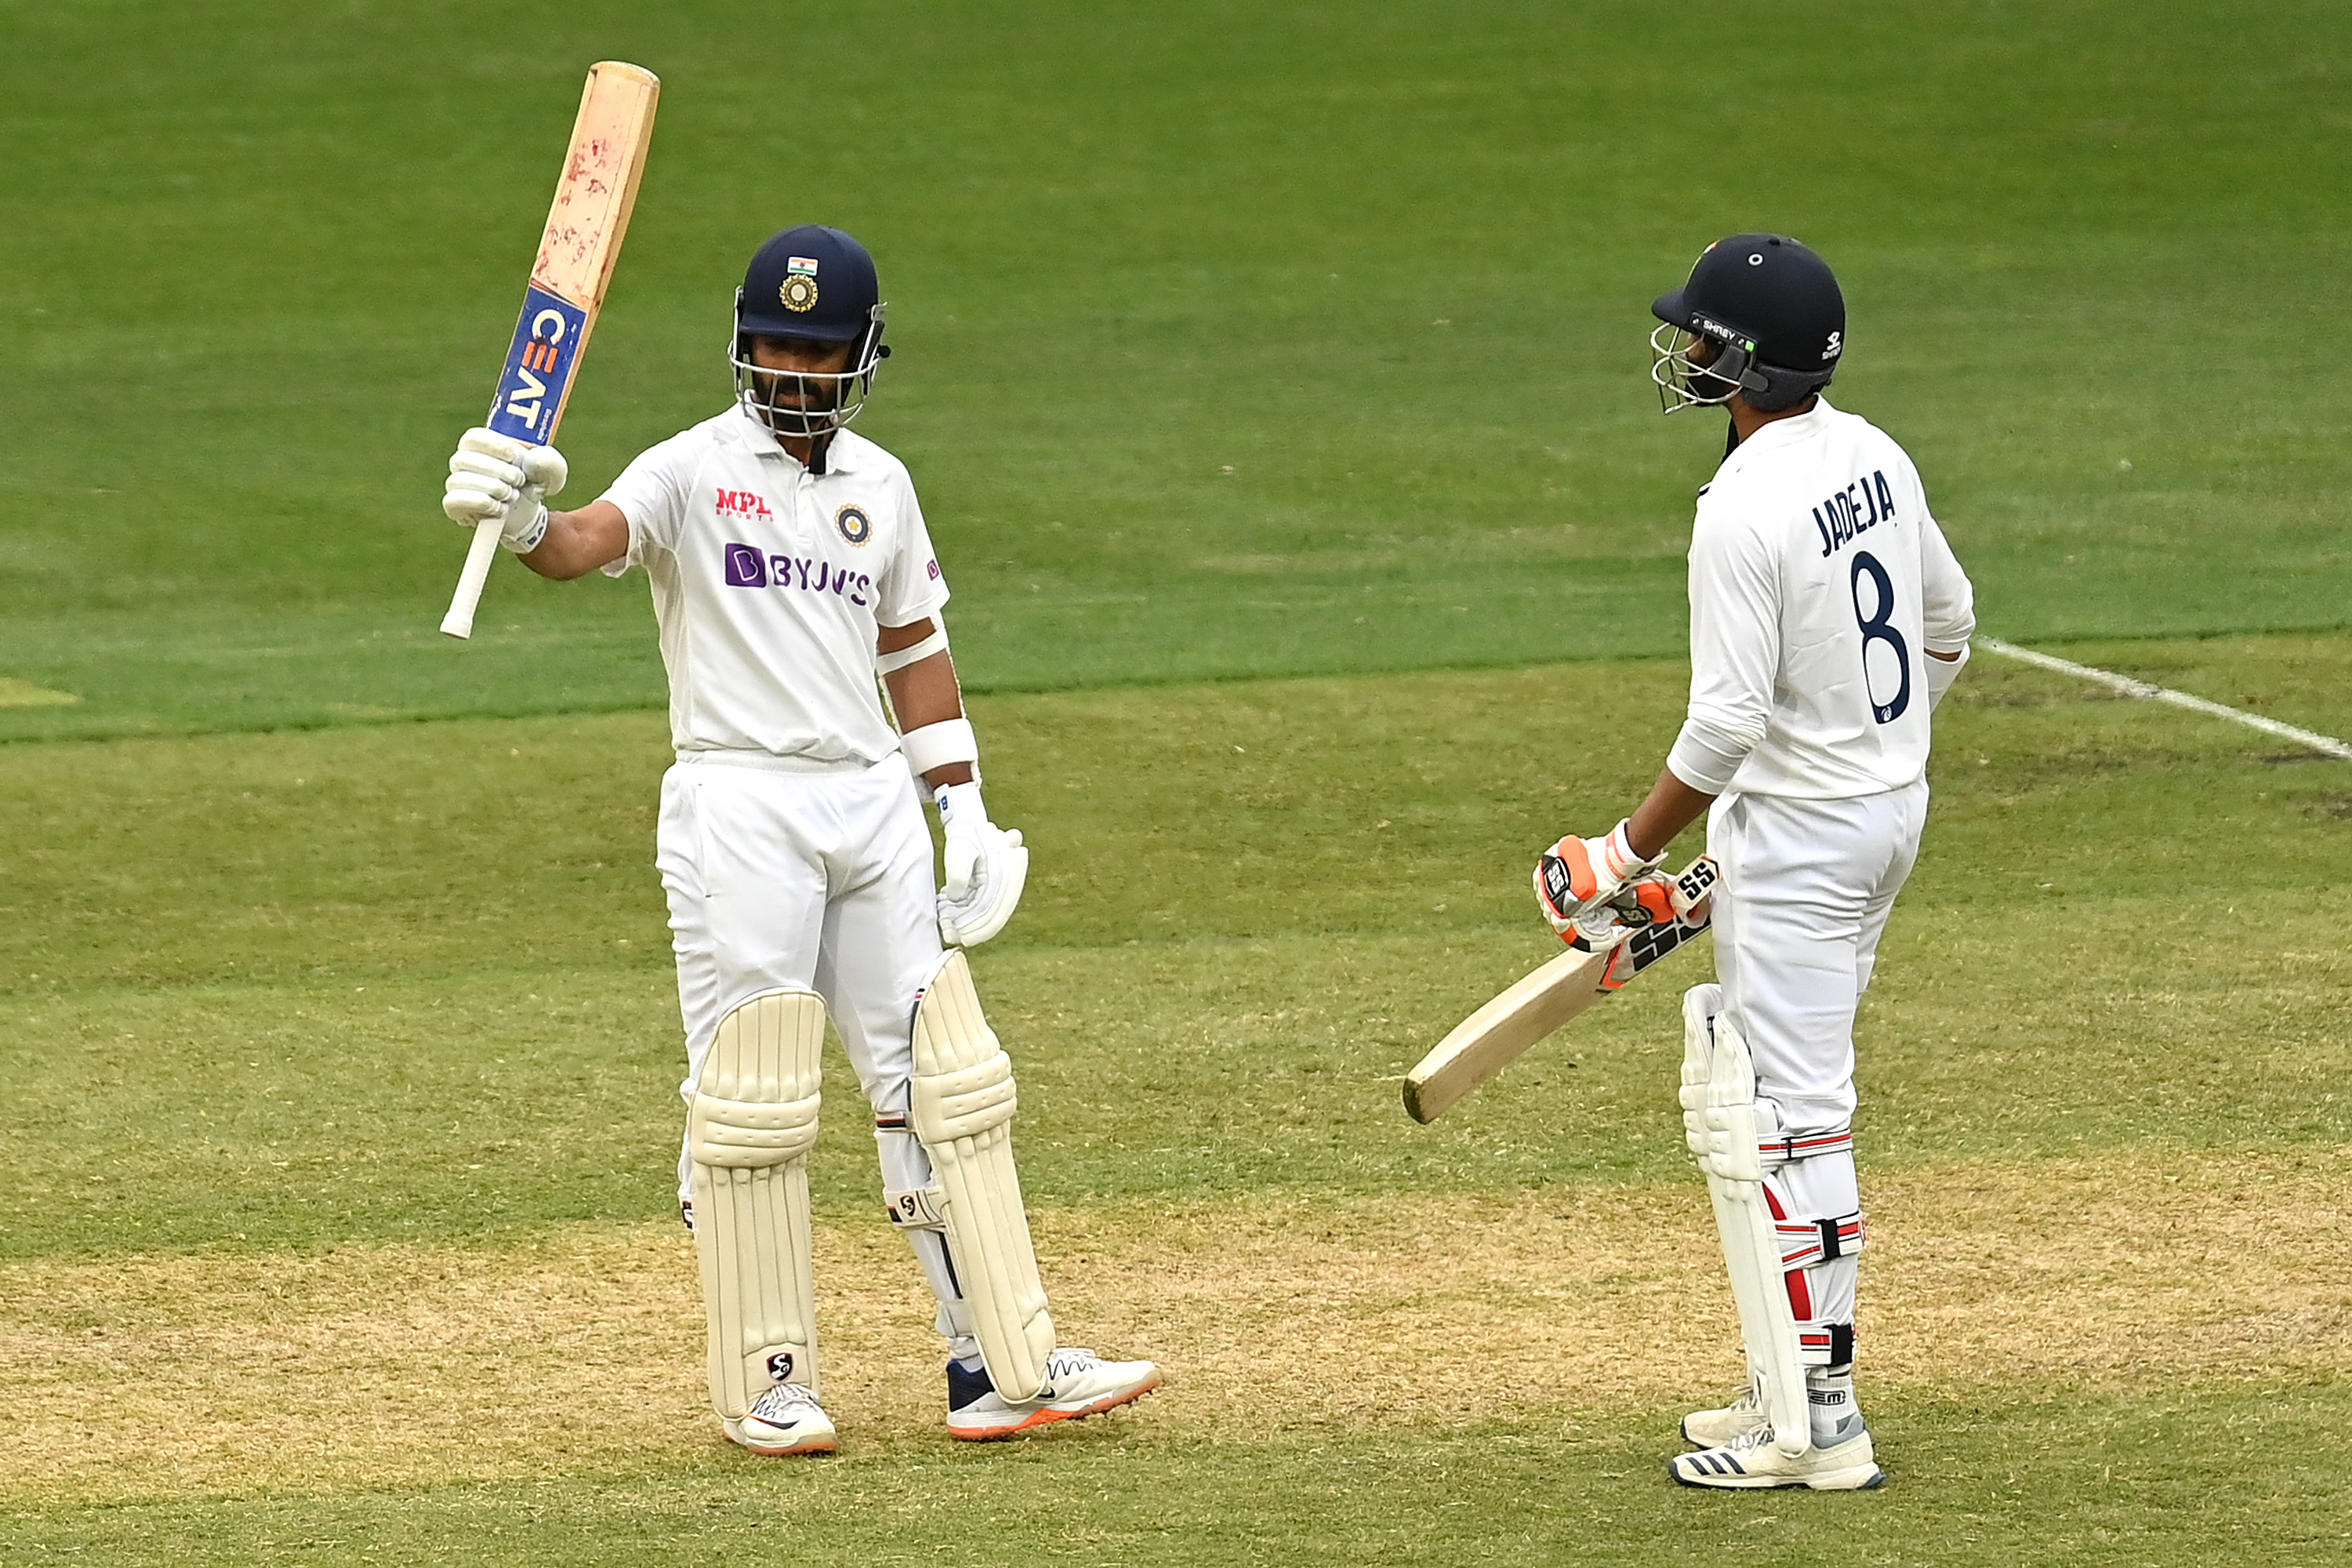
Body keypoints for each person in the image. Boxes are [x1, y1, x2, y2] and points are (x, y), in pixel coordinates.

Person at [439, 223, 1160, 1456]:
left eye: (820, 351)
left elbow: (915, 649)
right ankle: (768, 1381)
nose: (796, 371)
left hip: (871, 800)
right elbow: (581, 548)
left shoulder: (883, 484)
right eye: (778, 344)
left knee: (940, 1081)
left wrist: (962, 807)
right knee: (757, 1097)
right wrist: (516, 521)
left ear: (863, 354)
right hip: (740, 802)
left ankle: (997, 1362)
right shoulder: (687, 469)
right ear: (741, 342)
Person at [1534, 234, 1973, 1490]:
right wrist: (1867, 762)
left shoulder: (1740, 511)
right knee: (1776, 1096)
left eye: (1704, 340)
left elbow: (1727, 726)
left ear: (1742, 363)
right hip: (1881, 816)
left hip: (1809, 838)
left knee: (1791, 1119)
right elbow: (1952, 625)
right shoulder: (1872, 449)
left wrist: (1619, 852)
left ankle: (1820, 1421)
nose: (1686, 352)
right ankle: (1787, 1376)